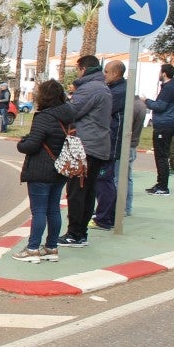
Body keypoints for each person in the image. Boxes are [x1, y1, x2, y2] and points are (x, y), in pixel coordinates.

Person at [12, 79, 73, 262]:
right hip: (61, 168)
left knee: (38, 210)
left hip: (41, 169)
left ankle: (32, 249)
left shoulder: (44, 116)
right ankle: (51, 247)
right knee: (53, 209)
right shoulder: (68, 114)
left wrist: (22, 143)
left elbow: (32, 144)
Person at [59, 55, 112, 247]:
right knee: (87, 191)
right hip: (97, 145)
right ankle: (81, 233)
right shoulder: (102, 87)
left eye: (77, 69)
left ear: (83, 69)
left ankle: (74, 233)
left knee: (77, 190)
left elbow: (71, 112)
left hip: (85, 147)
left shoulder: (89, 89)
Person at [93, 60, 127, 229]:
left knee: (104, 179)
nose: (104, 75)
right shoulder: (116, 89)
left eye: (106, 71)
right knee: (106, 179)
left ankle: (104, 218)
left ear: (115, 73)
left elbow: (102, 111)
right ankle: (107, 215)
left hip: (111, 141)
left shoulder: (118, 92)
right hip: (110, 139)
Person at [144, 62, 174, 196]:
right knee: (161, 156)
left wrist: (146, 100)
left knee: (161, 156)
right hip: (167, 123)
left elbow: (160, 106)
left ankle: (163, 186)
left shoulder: (169, 88)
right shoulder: (172, 86)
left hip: (164, 124)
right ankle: (160, 184)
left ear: (164, 73)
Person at [127, 94, 147, 214]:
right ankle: (126, 207)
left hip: (128, 144)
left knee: (120, 179)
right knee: (127, 178)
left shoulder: (132, 106)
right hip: (133, 144)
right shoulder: (140, 105)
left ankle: (123, 208)